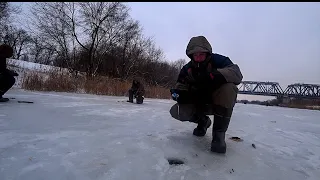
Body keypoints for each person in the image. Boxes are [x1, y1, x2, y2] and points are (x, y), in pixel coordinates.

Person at [169, 36, 243, 154]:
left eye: (201, 54)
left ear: (207, 53)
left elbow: (237, 74)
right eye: (195, 55)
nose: (198, 58)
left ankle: (219, 136)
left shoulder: (220, 60)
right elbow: (180, 86)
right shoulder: (187, 69)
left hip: (218, 102)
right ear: (191, 55)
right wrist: (180, 94)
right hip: (199, 103)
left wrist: (214, 76)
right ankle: (203, 122)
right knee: (176, 111)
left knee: (229, 88)